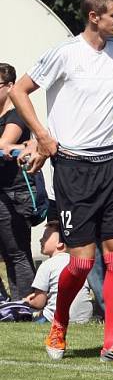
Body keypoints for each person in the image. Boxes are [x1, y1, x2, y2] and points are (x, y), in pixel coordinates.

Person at [11, 0, 113, 362]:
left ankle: (112, 342)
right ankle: (59, 323)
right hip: (73, 167)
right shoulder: (65, 53)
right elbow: (20, 91)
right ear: (94, 17)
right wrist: (42, 135)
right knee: (82, 261)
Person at [0, 63, 36, 301]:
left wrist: (17, 146)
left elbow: (3, 144)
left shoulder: (17, 115)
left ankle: (24, 304)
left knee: (16, 251)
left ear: (11, 86)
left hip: (14, 192)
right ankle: (6, 303)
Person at [25, 221, 93, 324]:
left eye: (45, 237)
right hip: (83, 318)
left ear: (60, 243)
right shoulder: (78, 262)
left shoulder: (47, 265)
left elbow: (39, 302)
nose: (40, 240)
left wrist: (27, 301)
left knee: (26, 313)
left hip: (55, 318)